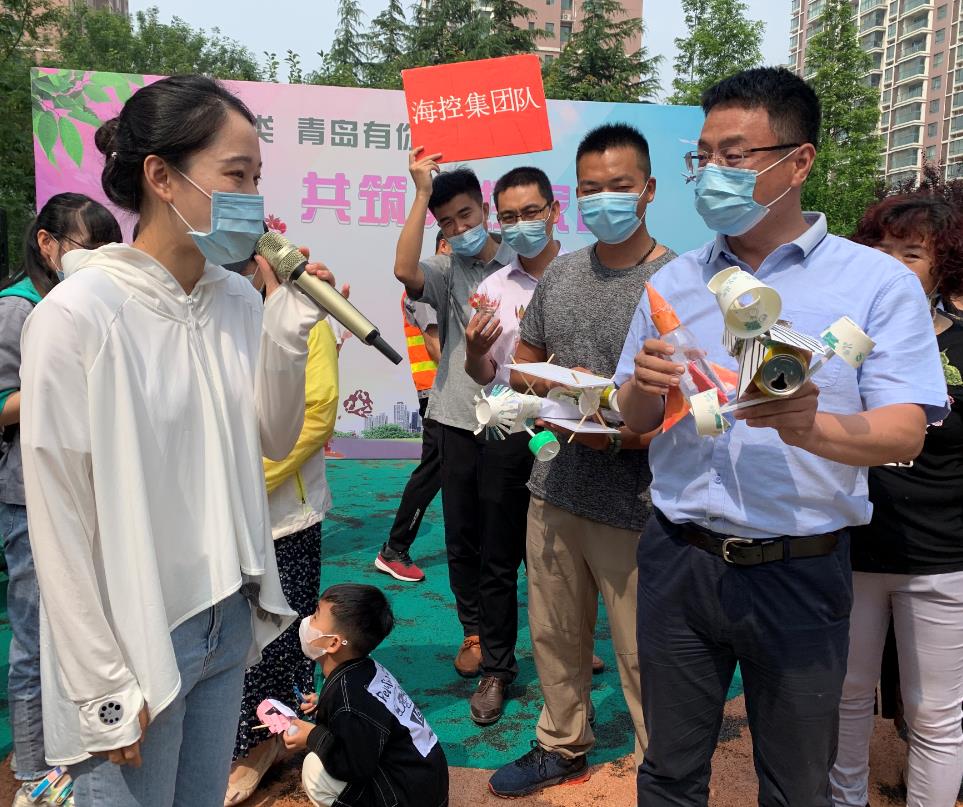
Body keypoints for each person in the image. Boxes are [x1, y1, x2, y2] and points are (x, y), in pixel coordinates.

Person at [614, 67, 948, 807]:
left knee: (797, 784)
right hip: (678, 557)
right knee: (668, 770)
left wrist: (812, 428)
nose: (713, 173)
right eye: (703, 156)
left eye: (735, 155)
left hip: (799, 569)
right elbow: (631, 419)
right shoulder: (673, 283)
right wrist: (642, 385)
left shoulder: (875, 284)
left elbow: (906, 429)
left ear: (798, 163)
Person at [18, 75, 337, 806]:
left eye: (256, 176)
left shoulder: (234, 298)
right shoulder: (77, 314)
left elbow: (271, 435)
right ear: (161, 176)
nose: (251, 197)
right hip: (135, 634)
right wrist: (100, 682)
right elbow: (57, 515)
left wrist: (286, 329)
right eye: (235, 174)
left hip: (227, 611)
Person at [489, 124, 676, 798]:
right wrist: (552, 393)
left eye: (619, 186)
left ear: (648, 190)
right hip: (555, 487)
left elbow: (693, 410)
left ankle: (662, 768)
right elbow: (524, 365)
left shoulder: (675, 280)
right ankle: (561, 743)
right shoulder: (563, 272)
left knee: (642, 649)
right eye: (591, 189)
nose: (605, 200)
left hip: (636, 503)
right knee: (555, 633)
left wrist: (619, 437)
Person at [830, 194, 963, 807]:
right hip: (851, 548)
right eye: (880, 249)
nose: (891, 264)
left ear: (944, 268)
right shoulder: (836, 344)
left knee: (933, 714)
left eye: (911, 254)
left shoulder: (957, 345)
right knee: (847, 695)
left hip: (942, 558)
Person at [0, 193, 122, 807]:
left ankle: (72, 752)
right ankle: (32, 771)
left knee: (81, 628)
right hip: (30, 494)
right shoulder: (18, 309)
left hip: (88, 487)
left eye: (107, 247)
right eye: (85, 246)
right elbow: (3, 405)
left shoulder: (90, 303)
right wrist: (62, 376)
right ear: (47, 244)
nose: (97, 258)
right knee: (35, 634)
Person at [393, 151, 514, 686]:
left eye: (466, 215)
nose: (460, 229)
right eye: (447, 222)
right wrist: (421, 192)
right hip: (457, 417)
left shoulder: (520, 259)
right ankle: (474, 633)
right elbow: (404, 271)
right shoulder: (446, 270)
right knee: (464, 534)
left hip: (519, 419)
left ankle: (546, 633)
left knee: (521, 536)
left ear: (484, 209)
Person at [226, 258, 340, 803]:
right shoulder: (208, 315)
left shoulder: (301, 315)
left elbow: (317, 413)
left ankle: (267, 741)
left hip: (283, 515)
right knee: (227, 632)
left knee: (280, 632)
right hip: (217, 513)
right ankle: (231, 734)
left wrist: (241, 482)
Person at [459, 166, 561, 725]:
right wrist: (476, 352)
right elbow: (481, 373)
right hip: (507, 431)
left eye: (531, 212)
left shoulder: (579, 277)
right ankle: (497, 667)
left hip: (571, 432)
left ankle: (567, 657)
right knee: (498, 556)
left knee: (564, 557)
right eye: (510, 216)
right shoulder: (493, 289)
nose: (521, 224)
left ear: (554, 211)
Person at [282, 583, 449, 807]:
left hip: (407, 798)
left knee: (315, 770)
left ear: (333, 642)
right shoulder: (367, 670)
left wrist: (311, 736)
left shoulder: (349, 700)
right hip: (425, 786)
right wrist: (325, 703)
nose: (307, 621)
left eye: (315, 616)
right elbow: (368, 712)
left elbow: (352, 766)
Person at [375, 231, 448, 583]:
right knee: (433, 471)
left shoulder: (450, 286)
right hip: (438, 393)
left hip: (451, 393)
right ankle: (394, 549)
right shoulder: (423, 288)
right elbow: (435, 348)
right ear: (443, 246)